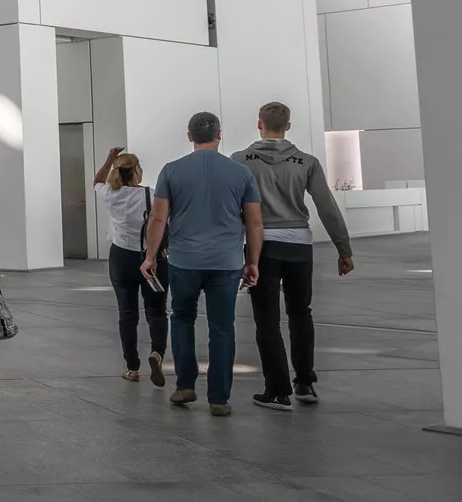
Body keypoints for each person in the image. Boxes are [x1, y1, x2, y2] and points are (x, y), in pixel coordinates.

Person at [142, 111, 264, 416]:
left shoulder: (171, 171)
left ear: (189, 136)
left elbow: (158, 217)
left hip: (185, 260)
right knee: (222, 326)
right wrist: (253, 262)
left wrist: (149, 256)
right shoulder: (241, 173)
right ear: (219, 135)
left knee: (182, 318)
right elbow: (255, 223)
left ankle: (185, 385)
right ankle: (219, 398)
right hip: (227, 261)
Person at [236, 102, 354, 410]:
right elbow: (326, 206)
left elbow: (230, 207)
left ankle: (277, 390)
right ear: (288, 126)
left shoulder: (239, 161)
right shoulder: (307, 161)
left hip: (262, 247)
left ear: (258, 124)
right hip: (300, 245)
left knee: (267, 319)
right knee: (301, 313)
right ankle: (304, 383)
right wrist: (344, 249)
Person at [94, 147, 166, 385]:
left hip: (121, 257)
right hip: (151, 256)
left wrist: (108, 160)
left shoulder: (109, 194)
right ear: (136, 171)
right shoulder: (153, 194)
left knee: (127, 314)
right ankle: (157, 352)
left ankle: (132, 367)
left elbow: (97, 180)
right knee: (156, 311)